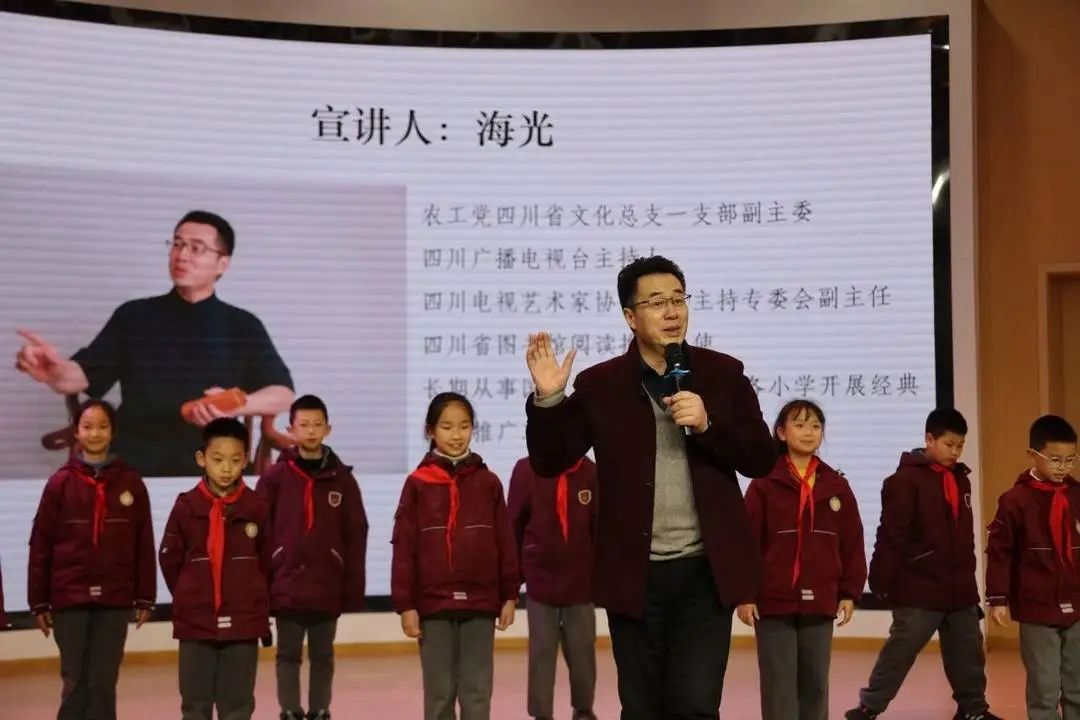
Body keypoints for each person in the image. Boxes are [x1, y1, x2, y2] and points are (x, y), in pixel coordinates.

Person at [524, 255, 776, 718]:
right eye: (657, 302)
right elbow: (550, 460)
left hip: (706, 573)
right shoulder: (600, 385)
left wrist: (708, 425)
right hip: (634, 573)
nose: (672, 312)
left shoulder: (723, 374)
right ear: (630, 316)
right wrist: (549, 399)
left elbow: (761, 459)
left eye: (679, 299)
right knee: (642, 708)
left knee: (695, 705)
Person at [14, 210, 295, 476]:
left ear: (222, 264)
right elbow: (81, 376)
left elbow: (283, 393)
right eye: (177, 244)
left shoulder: (243, 325)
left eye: (196, 248)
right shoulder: (134, 315)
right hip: (133, 459)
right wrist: (56, 372)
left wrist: (237, 406)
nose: (182, 255)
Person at [846, 409, 1002, 720]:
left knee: (968, 652)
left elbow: (965, 536)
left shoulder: (961, 479)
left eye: (960, 445)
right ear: (929, 439)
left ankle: (973, 709)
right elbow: (891, 534)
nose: (955, 452)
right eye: (949, 444)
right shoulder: (903, 481)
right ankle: (869, 707)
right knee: (901, 650)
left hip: (960, 588)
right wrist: (879, 580)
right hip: (918, 586)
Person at [391, 392, 519, 720]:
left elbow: (505, 541)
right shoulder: (417, 484)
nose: (456, 434)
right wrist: (406, 605)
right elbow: (404, 548)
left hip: (480, 602)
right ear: (430, 430)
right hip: (433, 604)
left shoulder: (488, 482)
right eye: (446, 427)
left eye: (464, 426)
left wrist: (509, 595)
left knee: (477, 691)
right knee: (440, 693)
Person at [27, 398, 156, 720]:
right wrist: (38, 602)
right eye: (87, 426)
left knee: (104, 681)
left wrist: (145, 597)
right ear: (76, 431)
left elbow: (143, 543)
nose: (95, 433)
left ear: (113, 431)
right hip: (69, 597)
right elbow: (40, 545)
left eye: (102, 426)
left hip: (114, 598)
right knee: (75, 680)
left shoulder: (131, 482)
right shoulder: (60, 483)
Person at [738, 399, 866, 720]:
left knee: (815, 683)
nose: (808, 432)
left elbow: (852, 542)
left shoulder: (836, 485)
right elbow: (746, 542)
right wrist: (745, 595)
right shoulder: (764, 483)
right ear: (781, 432)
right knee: (778, 683)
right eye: (799, 425)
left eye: (815, 426)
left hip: (820, 598)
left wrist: (849, 592)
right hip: (773, 600)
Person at [255, 394, 368, 720]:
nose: (311, 431)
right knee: (287, 655)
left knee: (323, 656)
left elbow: (356, 535)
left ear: (328, 429)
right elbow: (260, 533)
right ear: (291, 429)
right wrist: (263, 585)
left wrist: (352, 590)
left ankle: (320, 710)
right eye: (304, 424)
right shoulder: (275, 477)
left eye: (317, 424)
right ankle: (290, 710)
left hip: (325, 586)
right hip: (286, 584)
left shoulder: (342, 479)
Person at [159, 417, 272, 720]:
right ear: (201, 458)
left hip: (244, 623)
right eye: (218, 459)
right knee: (195, 706)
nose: (226, 469)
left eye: (235, 461)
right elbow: (170, 560)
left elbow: (267, 562)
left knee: (237, 706)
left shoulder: (257, 507)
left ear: (245, 460)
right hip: (196, 624)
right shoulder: (186, 506)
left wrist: (253, 599)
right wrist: (190, 594)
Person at [986, 414, 1080, 720]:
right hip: (1037, 607)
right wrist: (998, 598)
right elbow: (1000, 553)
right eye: (1055, 459)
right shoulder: (1015, 500)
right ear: (1033, 455)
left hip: (1077, 604)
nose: (1063, 467)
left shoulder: (1077, 496)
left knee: (1077, 685)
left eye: (1070, 460)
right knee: (1044, 687)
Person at [508, 455, 599, 720]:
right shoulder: (526, 470)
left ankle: (584, 710)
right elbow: (513, 526)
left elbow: (599, 528)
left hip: (581, 585)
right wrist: (512, 582)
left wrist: (601, 579)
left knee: (582, 653)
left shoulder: (590, 472)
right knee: (541, 654)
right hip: (540, 583)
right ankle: (541, 714)